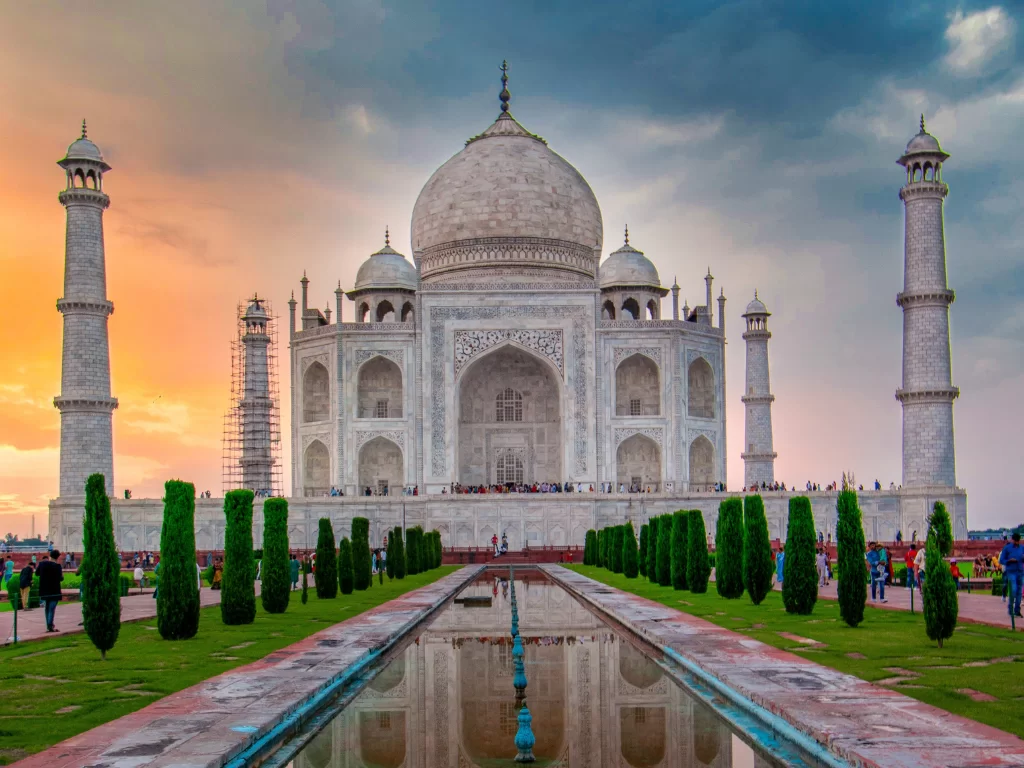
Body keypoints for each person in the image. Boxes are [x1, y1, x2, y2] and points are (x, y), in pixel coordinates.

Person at [36, 550, 64, 632]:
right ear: (58, 557)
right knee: (51, 608)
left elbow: (37, 573)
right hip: (54, 589)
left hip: (44, 589)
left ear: (50, 555)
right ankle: (50, 625)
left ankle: (49, 625)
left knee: (47, 608)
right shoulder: (57, 566)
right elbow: (60, 578)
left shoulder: (42, 564)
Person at [998, 532, 1023, 619]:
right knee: (1013, 590)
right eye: (1015, 540)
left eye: (1018, 540)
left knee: (1019, 592)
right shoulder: (1007, 548)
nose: (1016, 542)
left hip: (1020, 571)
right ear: (1012, 539)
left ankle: (1017, 611)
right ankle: (1010, 609)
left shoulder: (1022, 548)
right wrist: (1009, 561)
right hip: (1011, 571)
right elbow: (1001, 560)